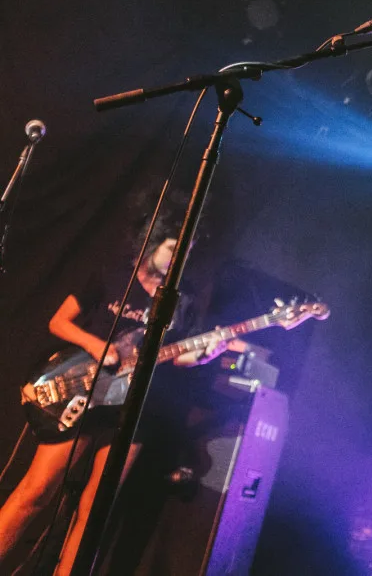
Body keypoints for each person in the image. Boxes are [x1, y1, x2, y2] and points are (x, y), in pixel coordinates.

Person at [0, 215, 229, 575]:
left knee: (94, 510)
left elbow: (173, 355)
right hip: (82, 393)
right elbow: (59, 322)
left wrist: (205, 354)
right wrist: (96, 344)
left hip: (131, 407)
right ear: (153, 243)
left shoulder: (180, 300)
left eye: (185, 253)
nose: (178, 259)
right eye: (173, 249)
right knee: (37, 490)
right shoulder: (112, 275)